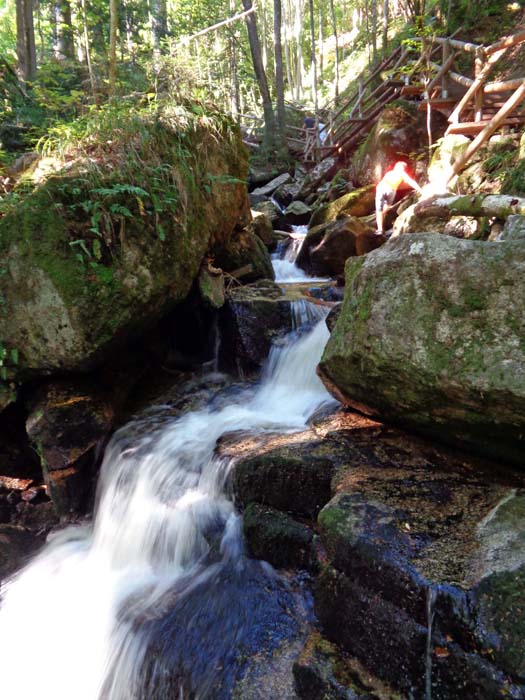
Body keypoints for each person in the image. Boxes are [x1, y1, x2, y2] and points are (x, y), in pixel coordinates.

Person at [375, 161, 423, 235]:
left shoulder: (397, 173)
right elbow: (410, 181)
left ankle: (380, 225)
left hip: (387, 189)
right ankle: (380, 228)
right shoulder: (396, 173)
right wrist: (419, 189)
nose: (402, 169)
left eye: (402, 168)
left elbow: (410, 181)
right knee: (381, 209)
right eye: (401, 167)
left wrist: (419, 189)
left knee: (381, 210)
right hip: (386, 188)